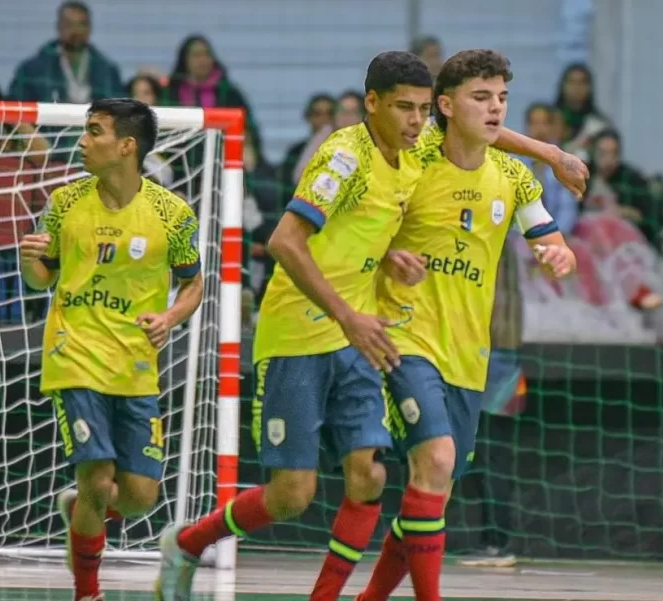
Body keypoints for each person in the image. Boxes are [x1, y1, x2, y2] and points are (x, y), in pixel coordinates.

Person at [155, 50, 590, 601]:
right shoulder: (369, 154)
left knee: (382, 478)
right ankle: (189, 544)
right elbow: (288, 240)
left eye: (502, 97)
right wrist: (361, 297)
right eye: (481, 97)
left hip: (401, 341)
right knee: (304, 491)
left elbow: (490, 163)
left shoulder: (430, 163)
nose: (416, 121)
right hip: (341, 334)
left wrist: (552, 203)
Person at [350, 49, 576, 601]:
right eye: (481, 97)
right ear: (445, 106)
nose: (495, 108)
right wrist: (385, 256)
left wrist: (559, 254)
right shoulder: (412, 156)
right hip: (403, 337)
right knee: (437, 461)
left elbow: (548, 236)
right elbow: (362, 224)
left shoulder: (514, 176)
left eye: (502, 98)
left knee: (436, 488)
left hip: (470, 352)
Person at [18, 98, 204, 601]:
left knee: (140, 498)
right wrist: (29, 260)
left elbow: (193, 282)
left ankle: (80, 510)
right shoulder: (65, 202)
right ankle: (88, 592)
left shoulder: (172, 213)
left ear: (127, 146)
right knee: (98, 480)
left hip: (135, 366)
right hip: (74, 356)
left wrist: (169, 317)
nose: (82, 141)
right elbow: (41, 280)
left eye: (94, 131)